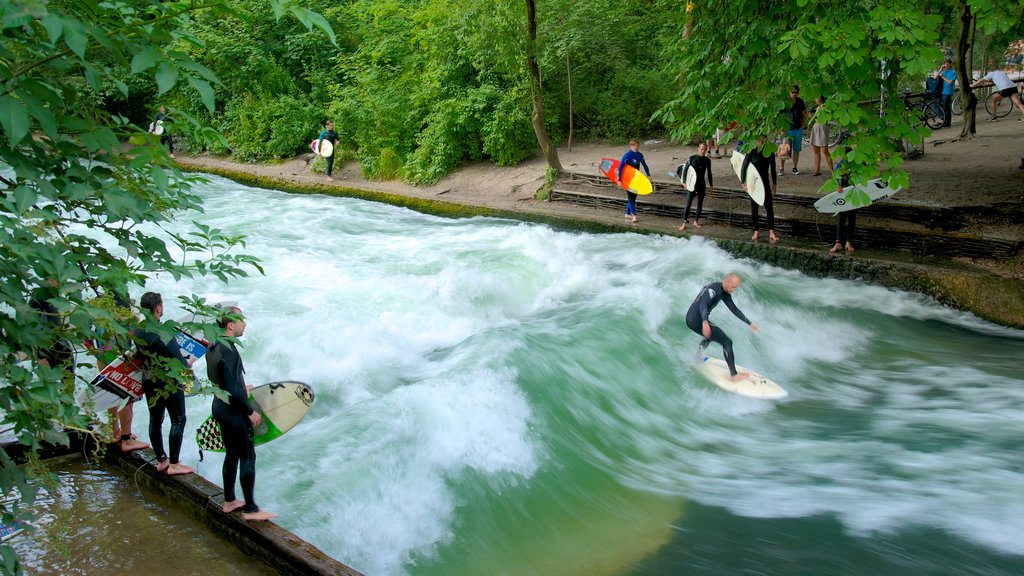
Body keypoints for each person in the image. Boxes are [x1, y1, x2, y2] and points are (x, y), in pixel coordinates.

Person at [206, 305, 276, 521]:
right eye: (241, 321)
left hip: (219, 406)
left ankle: (229, 501)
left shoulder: (214, 345)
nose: (245, 324)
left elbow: (222, 380)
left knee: (232, 455)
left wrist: (240, 388)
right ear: (230, 325)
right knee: (247, 457)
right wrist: (249, 412)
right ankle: (251, 509)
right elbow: (231, 389)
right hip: (233, 410)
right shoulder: (229, 349)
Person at [137, 292, 195, 475]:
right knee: (178, 419)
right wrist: (189, 365)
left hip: (148, 379)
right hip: (169, 381)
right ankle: (175, 464)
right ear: (158, 309)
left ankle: (162, 460)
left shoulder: (137, 329)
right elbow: (179, 361)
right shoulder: (164, 332)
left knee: (155, 419)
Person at [685, 273, 760, 382]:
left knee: (710, 335)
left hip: (695, 318)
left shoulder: (724, 292)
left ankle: (697, 357)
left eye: (735, 288)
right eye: (733, 287)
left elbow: (734, 309)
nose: (733, 290)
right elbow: (703, 304)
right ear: (726, 281)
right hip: (696, 320)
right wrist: (705, 322)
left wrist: (749, 323)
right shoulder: (714, 290)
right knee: (727, 342)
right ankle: (734, 376)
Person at [740, 137, 779, 243]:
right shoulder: (751, 151)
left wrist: (774, 183)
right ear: (756, 141)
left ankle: (771, 232)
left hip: (765, 183)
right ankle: (756, 231)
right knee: (754, 208)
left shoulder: (769, 152)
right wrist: (743, 183)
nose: (760, 142)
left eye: (762, 141)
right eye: (759, 140)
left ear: (765, 141)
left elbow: (773, 169)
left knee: (769, 207)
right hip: (754, 184)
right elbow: (744, 167)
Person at [678, 142, 713, 231]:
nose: (703, 151)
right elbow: (685, 169)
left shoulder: (707, 160)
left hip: (701, 184)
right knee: (688, 204)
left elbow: (709, 173)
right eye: (701, 149)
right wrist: (684, 182)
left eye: (705, 149)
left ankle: (696, 221)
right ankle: (684, 223)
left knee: (699, 204)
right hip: (691, 184)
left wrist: (711, 185)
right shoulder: (692, 158)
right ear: (698, 148)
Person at [616, 139, 650, 224]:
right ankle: (634, 215)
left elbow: (645, 165)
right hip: (627, 179)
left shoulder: (639, 155)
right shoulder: (627, 155)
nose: (636, 147)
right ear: (631, 146)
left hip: (636, 179)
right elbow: (620, 168)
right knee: (631, 197)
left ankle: (627, 213)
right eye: (634, 146)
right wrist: (619, 180)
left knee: (633, 198)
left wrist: (648, 175)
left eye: (637, 146)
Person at [830, 155, 857, 254]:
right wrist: (839, 186)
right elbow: (836, 178)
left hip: (855, 193)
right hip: (843, 194)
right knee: (841, 217)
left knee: (851, 218)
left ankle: (848, 242)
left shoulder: (857, 164)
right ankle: (838, 243)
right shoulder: (839, 165)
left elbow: (863, 180)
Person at [778, 85, 807, 175]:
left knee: (796, 149)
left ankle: (794, 168)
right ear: (789, 92)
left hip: (798, 128)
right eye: (792, 92)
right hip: (787, 129)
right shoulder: (785, 102)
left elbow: (804, 114)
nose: (794, 94)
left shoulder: (800, 101)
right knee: (784, 148)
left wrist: (803, 125)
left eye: (796, 92)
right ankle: (781, 169)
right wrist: (781, 128)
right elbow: (781, 116)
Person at [808, 95, 834, 176]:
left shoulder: (825, 107)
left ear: (821, 98)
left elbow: (827, 118)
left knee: (825, 150)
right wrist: (811, 116)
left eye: (817, 97)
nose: (816, 99)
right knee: (816, 150)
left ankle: (832, 171)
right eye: (815, 97)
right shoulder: (817, 108)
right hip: (816, 127)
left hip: (822, 128)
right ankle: (817, 170)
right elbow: (815, 119)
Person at [939, 60, 957, 127]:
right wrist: (940, 69)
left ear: (950, 64)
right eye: (945, 64)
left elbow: (950, 82)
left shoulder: (953, 72)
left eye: (947, 64)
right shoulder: (943, 72)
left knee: (946, 108)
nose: (946, 65)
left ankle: (947, 122)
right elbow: (935, 77)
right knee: (944, 107)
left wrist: (943, 77)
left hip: (948, 92)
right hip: (942, 92)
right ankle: (945, 121)